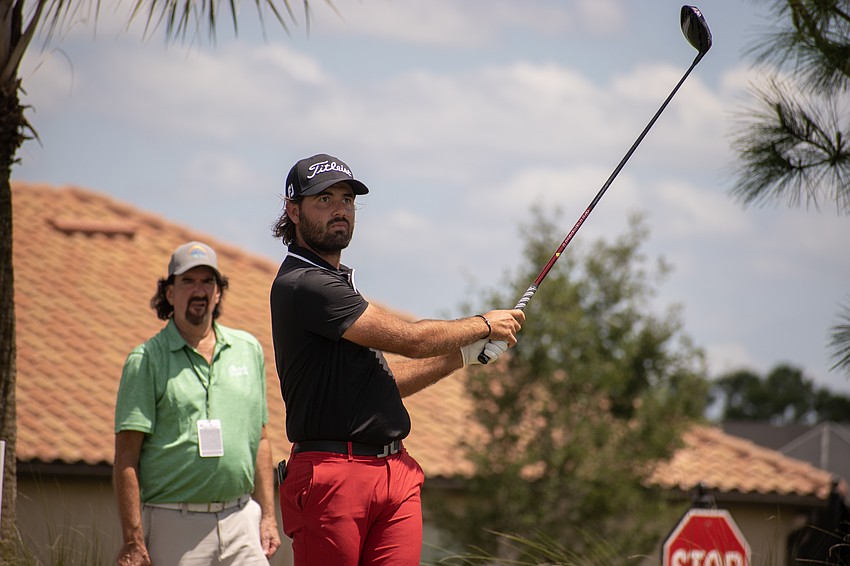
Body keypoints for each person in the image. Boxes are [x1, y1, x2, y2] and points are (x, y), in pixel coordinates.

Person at [269, 153, 525, 565]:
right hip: (332, 475)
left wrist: (459, 356)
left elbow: (381, 382)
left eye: (348, 200)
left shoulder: (337, 284)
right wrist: (483, 324)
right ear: (293, 211)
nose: (340, 209)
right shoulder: (305, 285)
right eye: (325, 199)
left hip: (394, 472)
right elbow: (411, 340)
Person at [113, 241, 280, 566]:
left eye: (208, 281)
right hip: (174, 523)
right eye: (187, 281)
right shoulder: (145, 360)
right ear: (170, 293)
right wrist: (133, 538)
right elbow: (126, 458)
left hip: (242, 518)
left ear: (218, 292)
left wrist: (268, 516)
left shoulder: (248, 349)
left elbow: (260, 439)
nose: (199, 290)